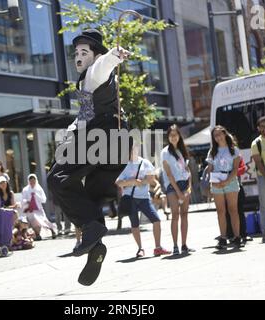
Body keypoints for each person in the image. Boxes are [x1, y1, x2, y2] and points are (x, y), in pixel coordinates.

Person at [47, 28, 131, 286]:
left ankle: (91, 229)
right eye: (76, 53)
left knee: (57, 179)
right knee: (90, 197)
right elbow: (83, 117)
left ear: (96, 55)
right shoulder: (87, 84)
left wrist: (114, 55)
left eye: (85, 52)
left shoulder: (95, 71)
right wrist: (71, 133)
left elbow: (103, 65)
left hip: (102, 139)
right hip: (117, 145)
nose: (79, 57)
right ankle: (95, 247)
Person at [116, 145, 171, 257]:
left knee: (156, 220)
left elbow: (151, 179)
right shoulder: (124, 165)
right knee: (135, 224)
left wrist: (142, 181)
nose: (133, 152)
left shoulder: (145, 162)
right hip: (130, 199)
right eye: (130, 150)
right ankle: (140, 249)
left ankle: (158, 247)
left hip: (144, 198)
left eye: (134, 149)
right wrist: (132, 181)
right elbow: (118, 182)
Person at [206, 126, 243, 249]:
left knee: (233, 210)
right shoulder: (212, 151)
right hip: (216, 181)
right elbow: (210, 169)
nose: (218, 137)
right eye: (215, 135)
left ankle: (237, 237)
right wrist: (213, 181)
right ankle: (223, 238)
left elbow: (235, 168)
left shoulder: (234, 149)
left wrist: (227, 181)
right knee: (220, 211)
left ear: (224, 134)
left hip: (230, 180)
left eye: (219, 134)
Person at [161, 124, 194, 254]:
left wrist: (189, 187)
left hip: (185, 185)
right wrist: (179, 192)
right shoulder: (165, 152)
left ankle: (184, 245)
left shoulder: (182, 151)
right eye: (171, 135)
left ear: (179, 136)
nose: (174, 137)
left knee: (185, 215)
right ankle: (175, 246)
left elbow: (187, 170)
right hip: (172, 186)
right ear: (168, 137)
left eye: (176, 135)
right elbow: (168, 174)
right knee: (175, 215)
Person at [22, 174, 57, 240]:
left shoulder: (39, 189)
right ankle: (37, 234)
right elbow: (23, 199)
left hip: (38, 209)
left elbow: (44, 199)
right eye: (30, 181)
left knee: (43, 220)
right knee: (35, 222)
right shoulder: (25, 190)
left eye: (33, 181)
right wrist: (27, 201)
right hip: (30, 209)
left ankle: (52, 230)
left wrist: (36, 195)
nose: (32, 182)